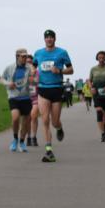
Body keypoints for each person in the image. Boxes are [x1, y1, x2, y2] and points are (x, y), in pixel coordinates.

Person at [33, 29, 73, 162]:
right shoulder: (38, 53)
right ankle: (49, 151)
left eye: (51, 37)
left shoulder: (62, 52)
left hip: (56, 89)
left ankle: (59, 128)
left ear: (55, 39)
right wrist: (33, 74)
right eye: (47, 37)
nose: (49, 39)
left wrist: (59, 70)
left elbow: (71, 69)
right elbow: (33, 67)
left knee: (55, 121)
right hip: (43, 90)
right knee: (44, 120)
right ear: (44, 39)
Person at [0, 48, 35, 152]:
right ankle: (15, 139)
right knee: (15, 118)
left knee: (26, 122)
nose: (25, 58)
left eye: (26, 56)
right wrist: (8, 83)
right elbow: (1, 79)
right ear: (17, 57)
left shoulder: (30, 68)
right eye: (23, 56)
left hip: (26, 97)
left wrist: (33, 77)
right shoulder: (10, 67)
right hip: (13, 97)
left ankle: (22, 142)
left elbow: (35, 82)